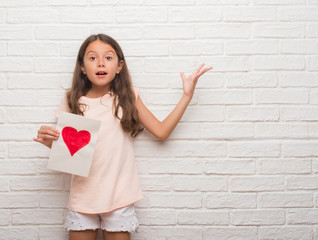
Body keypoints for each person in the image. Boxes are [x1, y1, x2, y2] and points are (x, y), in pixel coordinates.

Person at [33, 33, 212, 240]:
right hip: (83, 198)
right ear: (82, 67)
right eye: (92, 58)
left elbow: (162, 132)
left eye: (108, 58)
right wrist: (50, 143)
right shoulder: (71, 99)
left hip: (120, 197)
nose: (100, 63)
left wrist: (187, 96)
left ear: (119, 66)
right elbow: (70, 150)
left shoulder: (128, 98)